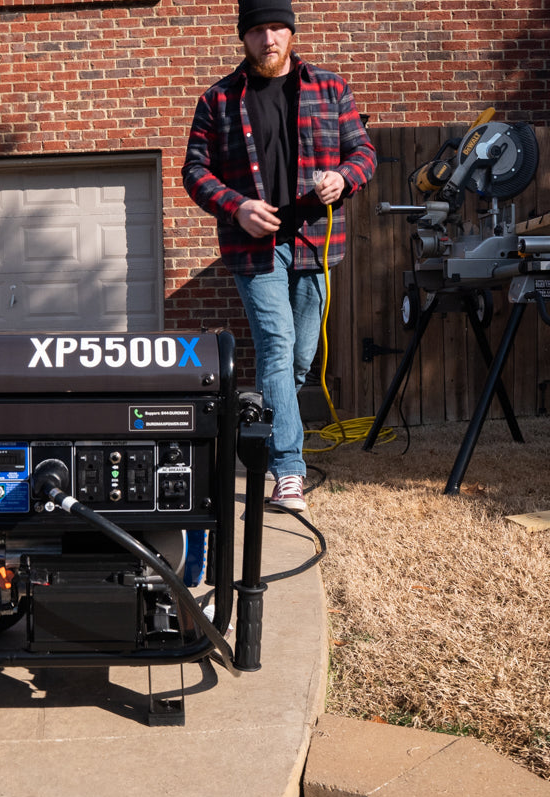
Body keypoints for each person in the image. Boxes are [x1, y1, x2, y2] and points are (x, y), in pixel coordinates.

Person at [182, 0, 377, 512]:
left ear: (291, 33)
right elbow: (195, 172)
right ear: (242, 38)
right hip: (254, 249)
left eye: (276, 29)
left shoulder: (331, 88)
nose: (268, 39)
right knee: (276, 344)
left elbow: (364, 153)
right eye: (257, 31)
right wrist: (237, 206)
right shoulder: (218, 100)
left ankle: (266, 423)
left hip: (316, 244)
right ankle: (288, 469)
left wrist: (344, 176)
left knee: (296, 361)